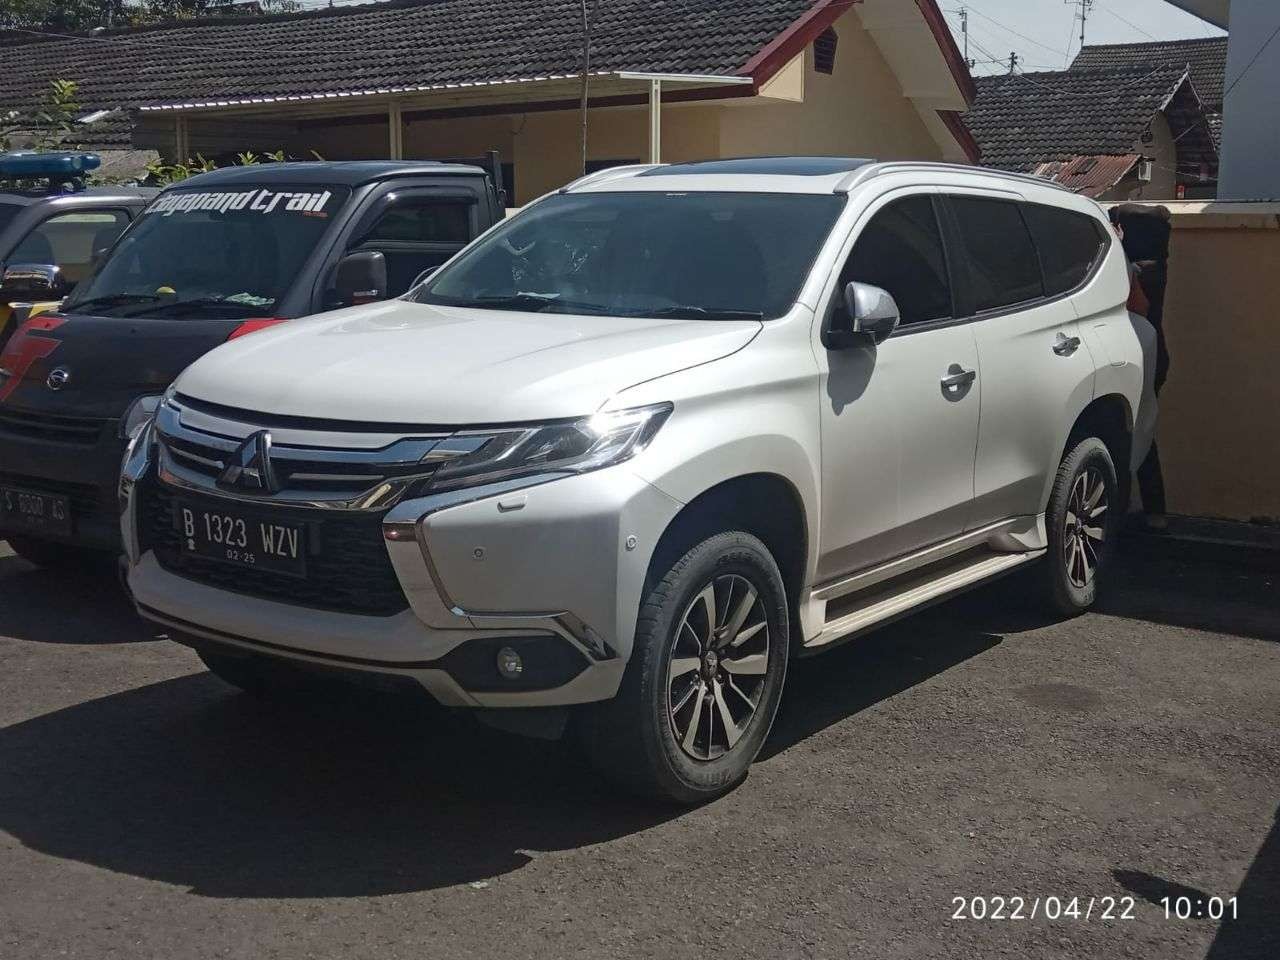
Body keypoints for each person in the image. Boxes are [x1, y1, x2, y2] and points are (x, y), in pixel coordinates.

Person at [1110, 204, 1171, 531]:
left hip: (1139, 355)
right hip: (1155, 354)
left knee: (1133, 430)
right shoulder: (1158, 265)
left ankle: (1132, 509)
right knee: (1144, 429)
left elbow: (1139, 307)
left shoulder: (1131, 268)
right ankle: (1152, 511)